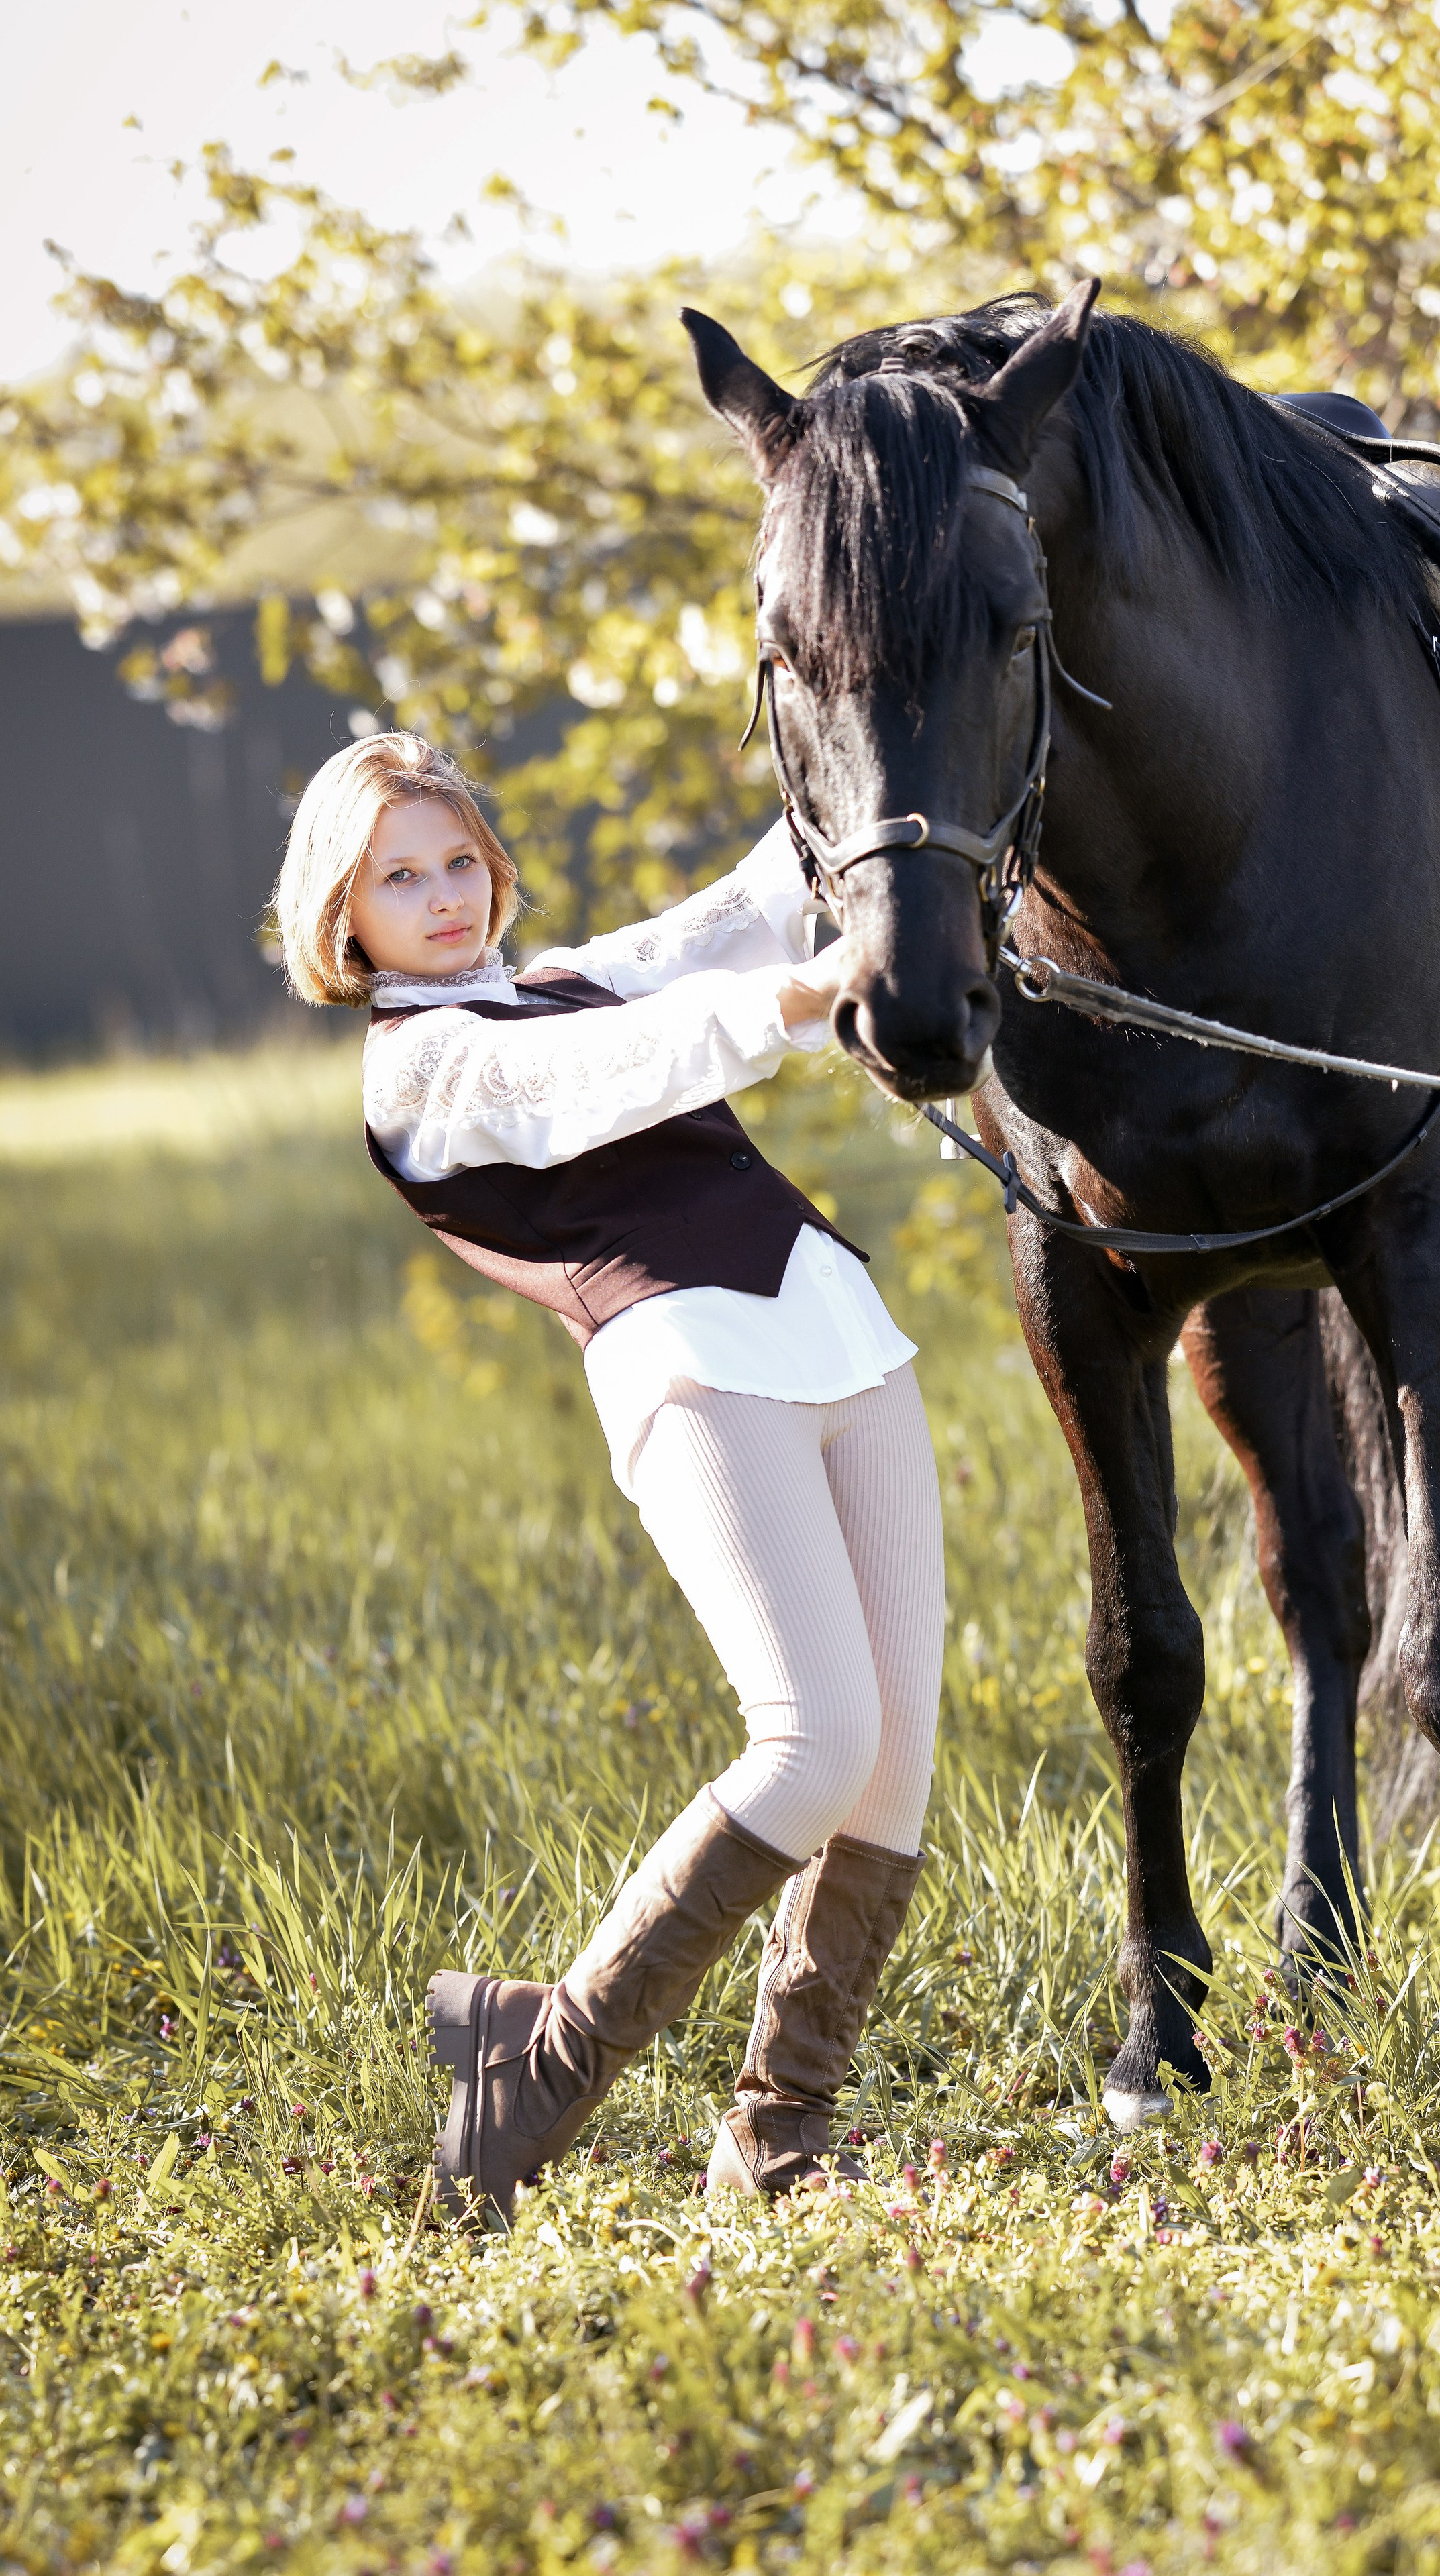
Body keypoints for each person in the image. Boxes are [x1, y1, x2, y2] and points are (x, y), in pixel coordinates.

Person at [272, 732, 945, 2222]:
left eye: (459, 861)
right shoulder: (427, 1071)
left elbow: (727, 911)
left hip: (846, 1341)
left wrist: (876, 769)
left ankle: (779, 2137)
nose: (445, 897)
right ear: (345, 915)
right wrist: (794, 1000)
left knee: (892, 1764)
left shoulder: (560, 970)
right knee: (812, 1741)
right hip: (694, 1370)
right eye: (402, 878)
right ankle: (535, 2061)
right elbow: (606, 1067)